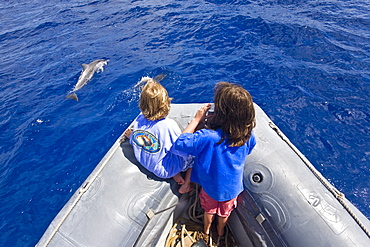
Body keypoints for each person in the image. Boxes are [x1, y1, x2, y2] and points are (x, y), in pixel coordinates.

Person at [175, 82, 256, 236]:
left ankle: (205, 231)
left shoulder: (207, 137)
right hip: (232, 190)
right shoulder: (249, 137)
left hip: (210, 188)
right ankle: (220, 232)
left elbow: (181, 143)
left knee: (209, 210)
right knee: (224, 213)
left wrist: (197, 120)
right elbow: (248, 150)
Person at [124, 77, 193, 194]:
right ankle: (185, 184)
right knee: (194, 156)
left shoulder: (140, 118)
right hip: (164, 170)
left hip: (146, 163)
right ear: (166, 103)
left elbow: (140, 139)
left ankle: (175, 173)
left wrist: (131, 136)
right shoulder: (168, 125)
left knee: (162, 146)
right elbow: (182, 149)